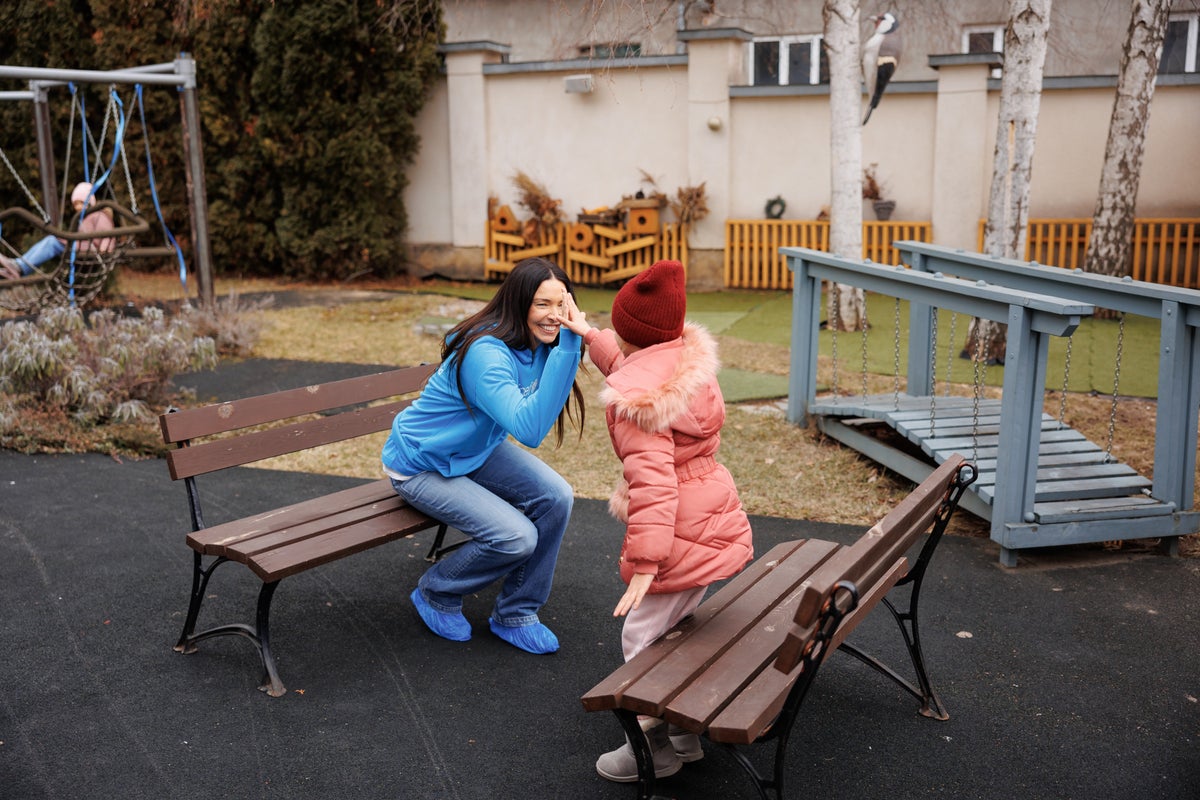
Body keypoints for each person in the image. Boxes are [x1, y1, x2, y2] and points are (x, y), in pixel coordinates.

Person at [558, 259, 754, 783]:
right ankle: (686, 735)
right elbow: (631, 363)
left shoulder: (638, 404)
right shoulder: (683, 362)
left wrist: (646, 563)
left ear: (634, 337)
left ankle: (653, 752)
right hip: (710, 516)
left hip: (676, 532)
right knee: (678, 630)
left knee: (642, 642)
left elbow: (653, 484)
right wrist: (590, 334)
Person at [381, 256, 588, 655]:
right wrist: (569, 346)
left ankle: (517, 612)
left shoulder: (542, 342)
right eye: (542, 304)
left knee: (556, 496)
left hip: (475, 453)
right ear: (519, 303)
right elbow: (529, 430)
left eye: (561, 305)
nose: (553, 315)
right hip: (422, 464)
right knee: (516, 537)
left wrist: (578, 339)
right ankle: (436, 590)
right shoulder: (486, 354)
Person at [0, 182, 115, 280]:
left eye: (81, 202)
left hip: (87, 248)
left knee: (52, 242)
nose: (78, 207)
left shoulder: (99, 215)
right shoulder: (85, 217)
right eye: (76, 204)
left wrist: (105, 248)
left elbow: (107, 232)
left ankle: (20, 267)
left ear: (90, 201)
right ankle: (19, 266)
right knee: (51, 242)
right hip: (79, 246)